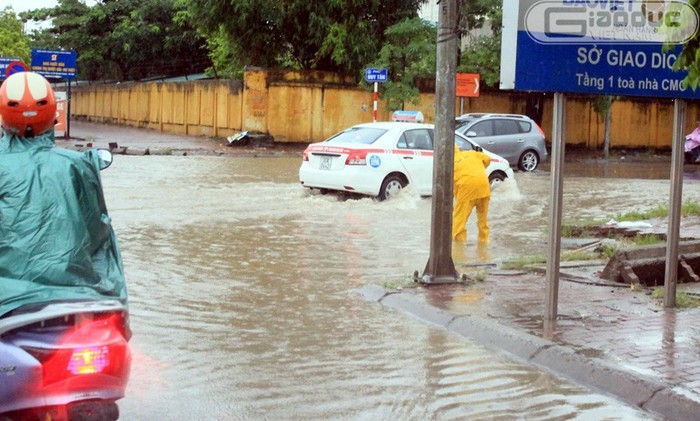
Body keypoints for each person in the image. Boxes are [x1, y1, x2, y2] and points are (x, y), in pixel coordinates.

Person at [0, 71, 127, 318]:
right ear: (53, 115)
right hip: (80, 296)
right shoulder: (79, 165)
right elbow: (99, 233)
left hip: (9, 303)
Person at [452, 144, 491, 243]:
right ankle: (484, 241)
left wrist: (458, 200)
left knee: (459, 221)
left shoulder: (451, 164)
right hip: (484, 187)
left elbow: (454, 186)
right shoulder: (472, 153)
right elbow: (488, 159)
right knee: (483, 220)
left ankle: (459, 247)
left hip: (467, 191)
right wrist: (480, 169)